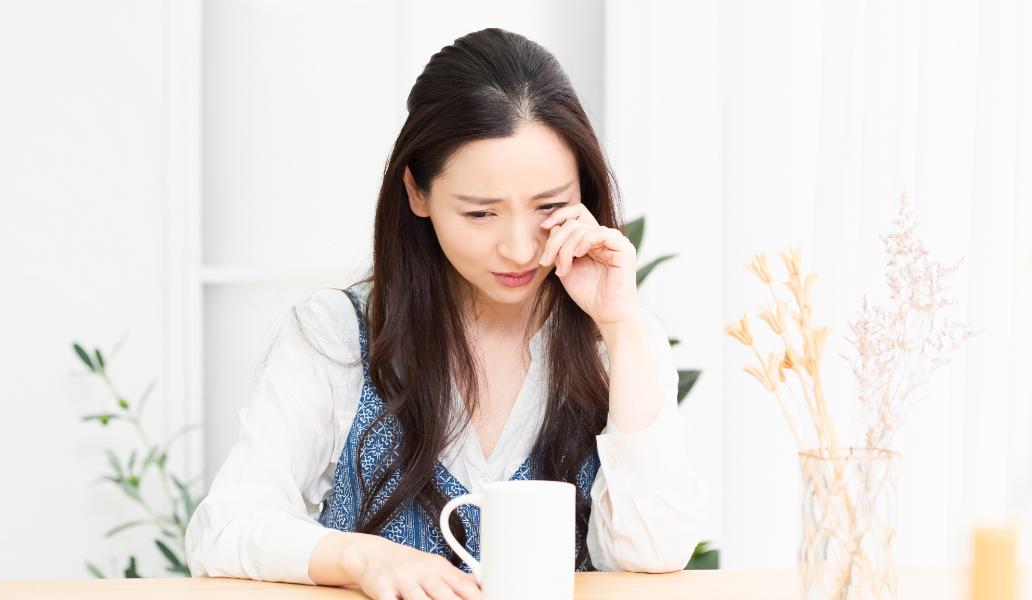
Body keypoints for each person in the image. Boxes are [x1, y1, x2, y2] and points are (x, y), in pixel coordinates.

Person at [185, 27, 705, 600]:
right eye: (481, 214)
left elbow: (652, 552)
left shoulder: (618, 338)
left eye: (550, 207)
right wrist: (363, 559)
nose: (519, 248)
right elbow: (225, 527)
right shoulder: (337, 337)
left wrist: (622, 328)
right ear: (418, 194)